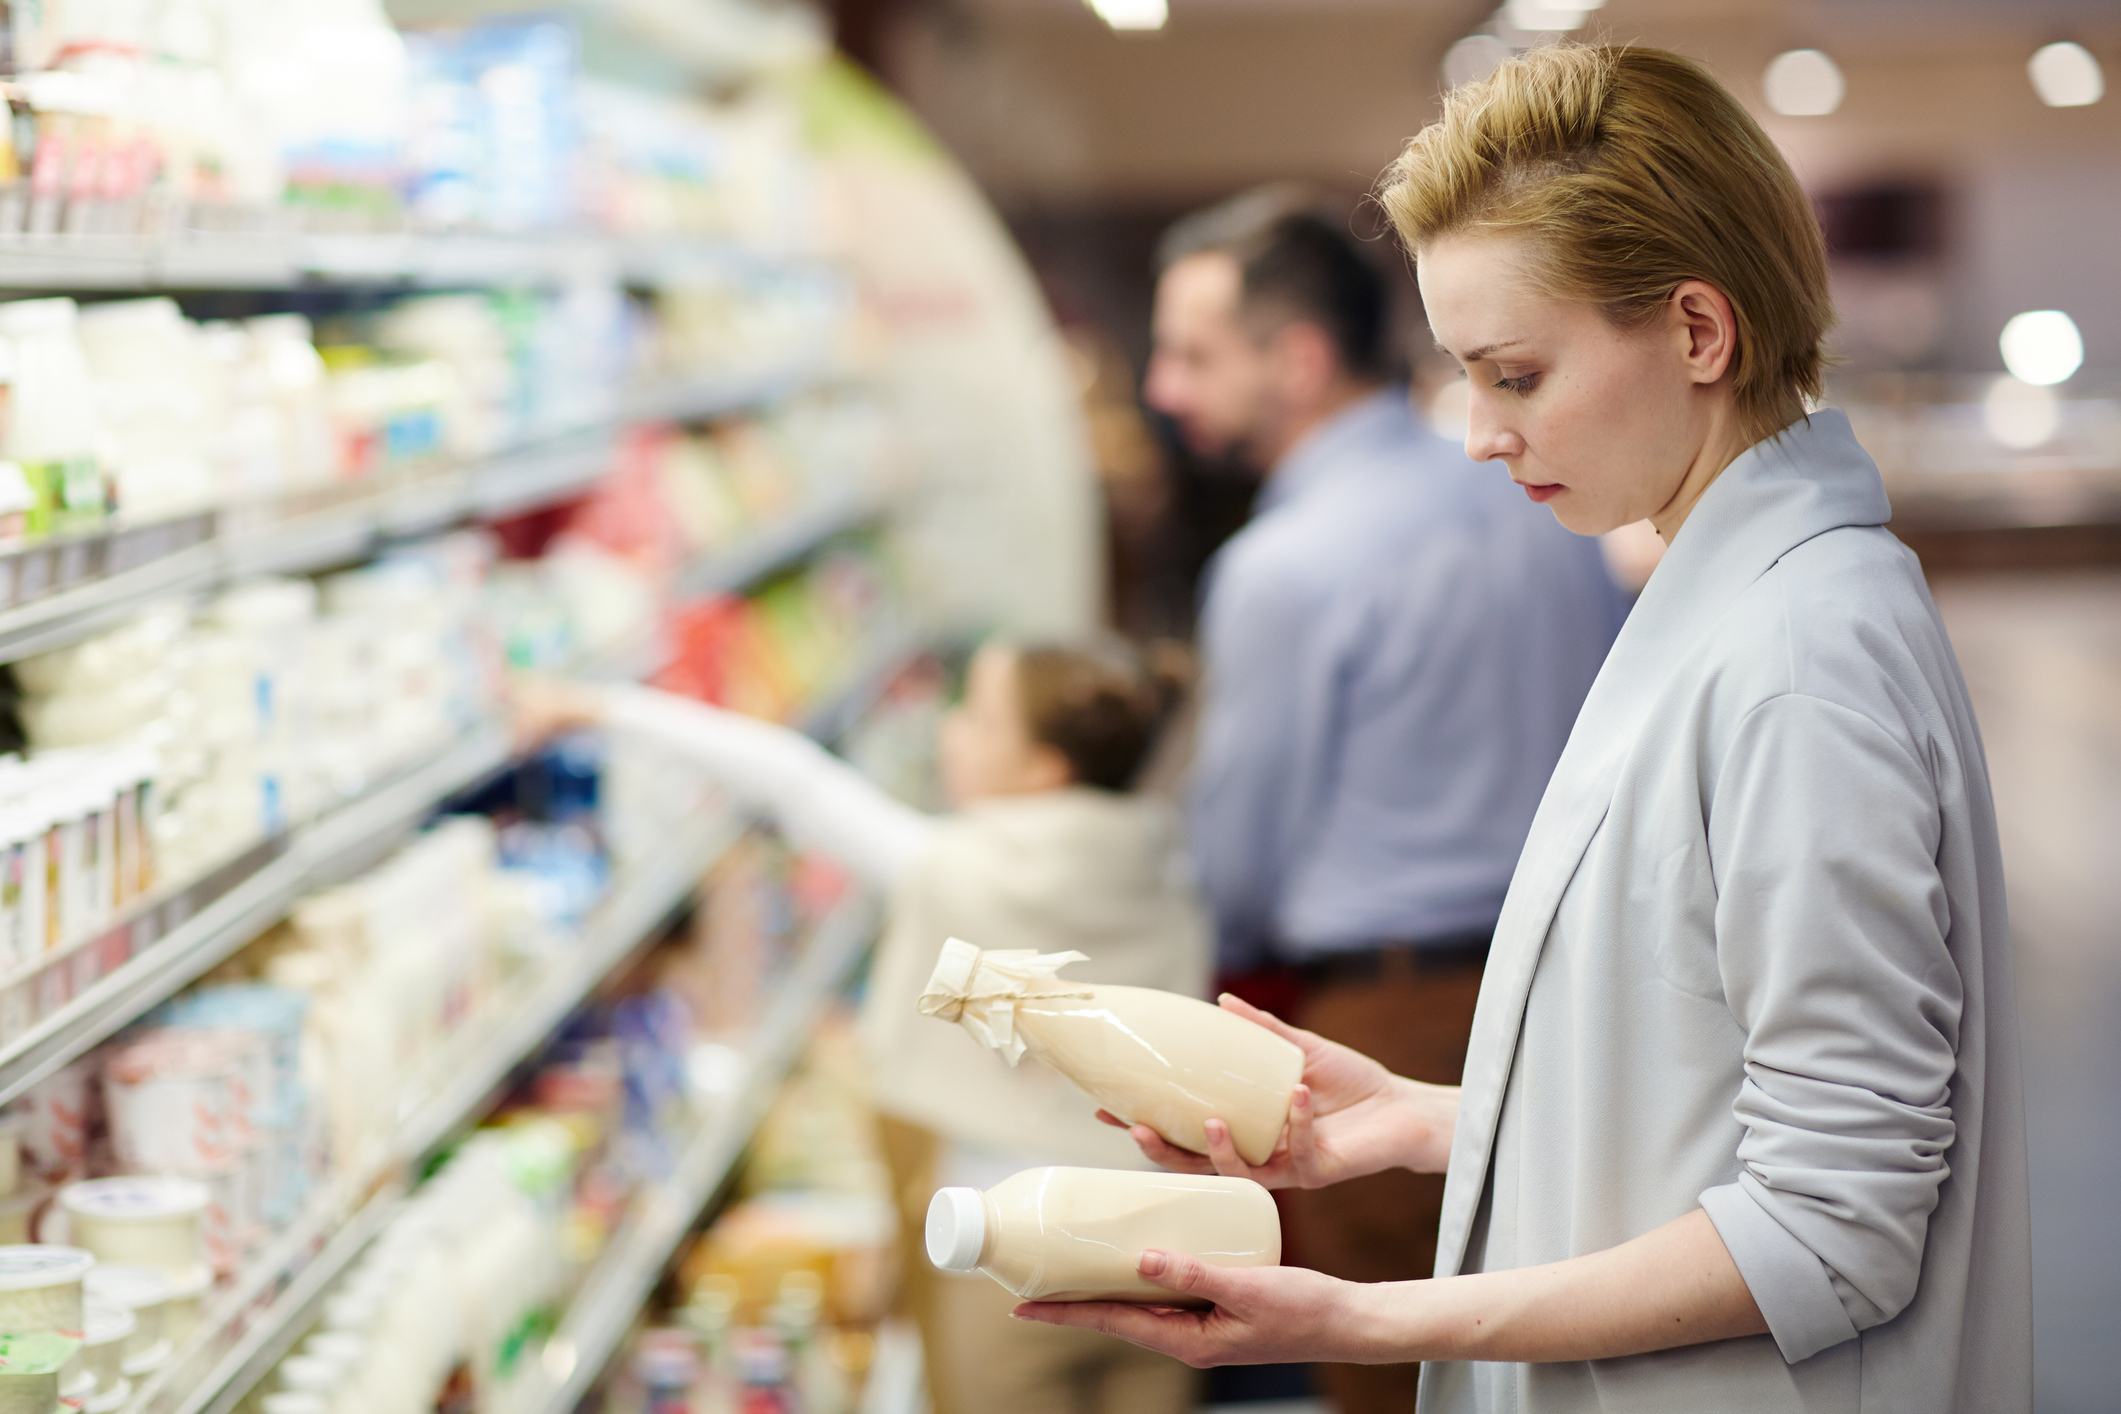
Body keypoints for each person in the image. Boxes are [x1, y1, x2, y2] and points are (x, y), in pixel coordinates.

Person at [1029, 44, 2033, 1413]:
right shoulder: (1709, 589)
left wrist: (1366, 1316)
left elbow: (1831, 1225)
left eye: (1514, 373)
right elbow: (1700, 1100)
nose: (1480, 436)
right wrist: (1430, 1118)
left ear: (1695, 331)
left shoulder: (1796, 661)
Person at [1144, 187, 1626, 1407]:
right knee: (1567, 1343)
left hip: (1392, 1022)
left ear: (1298, 359)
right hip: (1586, 984)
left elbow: (1240, 863)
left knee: (1400, 1369)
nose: (1163, 389)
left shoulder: (1280, 568)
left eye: (1192, 354)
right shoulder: (1543, 502)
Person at [515, 640, 1209, 1414]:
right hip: (1166, 1242)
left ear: (1043, 769)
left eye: (977, 719)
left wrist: (602, 708)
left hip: (1016, 1251)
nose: (949, 731)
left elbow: (792, 779)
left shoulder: (957, 869)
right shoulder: (1167, 866)